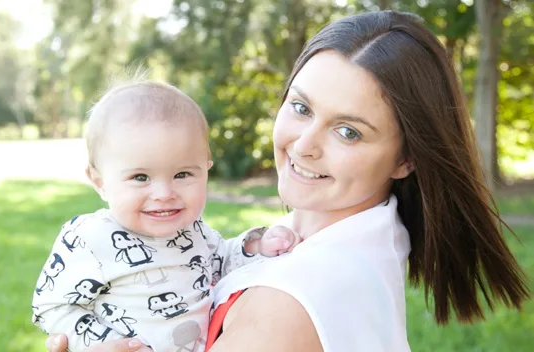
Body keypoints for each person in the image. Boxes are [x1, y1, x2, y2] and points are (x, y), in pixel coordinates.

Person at [44, 10, 529, 352]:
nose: (303, 146)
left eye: (348, 131)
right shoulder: (348, 245)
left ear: (405, 159)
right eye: (300, 108)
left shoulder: (289, 301)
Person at [31, 80, 299, 352]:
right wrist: (106, 344)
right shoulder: (90, 238)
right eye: (140, 177)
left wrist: (256, 246)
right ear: (99, 182)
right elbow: (50, 305)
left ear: (206, 170)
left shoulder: (193, 230)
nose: (164, 193)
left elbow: (222, 261)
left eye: (182, 174)